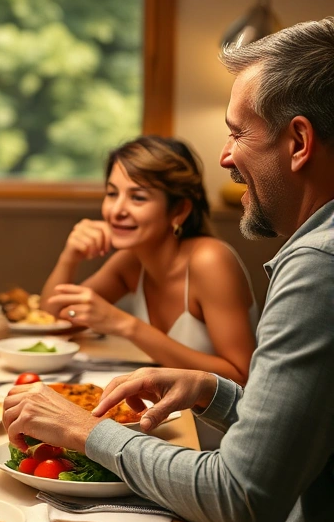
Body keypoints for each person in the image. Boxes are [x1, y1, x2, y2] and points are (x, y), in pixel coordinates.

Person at [3, 17, 334, 522]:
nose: (225, 156)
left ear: (298, 142)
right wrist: (211, 391)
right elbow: (300, 421)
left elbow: (242, 498)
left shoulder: (318, 263)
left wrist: (85, 431)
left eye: (236, 132)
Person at [40, 136, 258, 386]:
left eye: (138, 197)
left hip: (218, 423)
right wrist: (70, 257)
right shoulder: (131, 262)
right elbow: (52, 323)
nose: (116, 210)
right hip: (166, 412)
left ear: (179, 210)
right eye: (112, 194)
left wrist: (126, 325)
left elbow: (241, 377)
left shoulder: (210, 261)